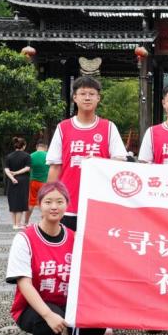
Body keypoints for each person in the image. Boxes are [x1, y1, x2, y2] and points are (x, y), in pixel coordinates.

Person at [5, 181, 105, 335]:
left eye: (60, 202)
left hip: (68, 306)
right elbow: (24, 283)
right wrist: (48, 314)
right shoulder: (25, 239)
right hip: (33, 308)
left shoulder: (74, 238)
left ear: (67, 205)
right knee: (49, 317)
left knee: (99, 316)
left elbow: (91, 276)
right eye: (48, 202)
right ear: (39, 205)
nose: (54, 207)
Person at [46, 76, 127, 231]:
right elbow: (55, 167)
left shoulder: (109, 127)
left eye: (91, 94)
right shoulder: (63, 128)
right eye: (83, 94)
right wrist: (49, 200)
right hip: (67, 204)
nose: (87, 98)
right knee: (65, 244)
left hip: (99, 203)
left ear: (98, 98)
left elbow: (120, 164)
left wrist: (99, 162)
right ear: (75, 98)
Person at [5, 137, 32, 230]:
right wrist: (16, 173)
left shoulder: (9, 156)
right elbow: (27, 168)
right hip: (23, 180)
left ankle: (14, 224)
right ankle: (18, 224)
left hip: (11, 181)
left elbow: (6, 169)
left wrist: (12, 178)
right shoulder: (27, 156)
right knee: (21, 201)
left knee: (13, 201)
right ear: (24, 146)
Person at [26, 142, 49, 226]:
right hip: (45, 182)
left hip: (33, 181)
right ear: (46, 147)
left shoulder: (31, 156)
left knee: (31, 202)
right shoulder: (48, 155)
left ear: (37, 147)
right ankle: (44, 222)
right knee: (45, 202)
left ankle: (26, 222)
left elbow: (28, 169)